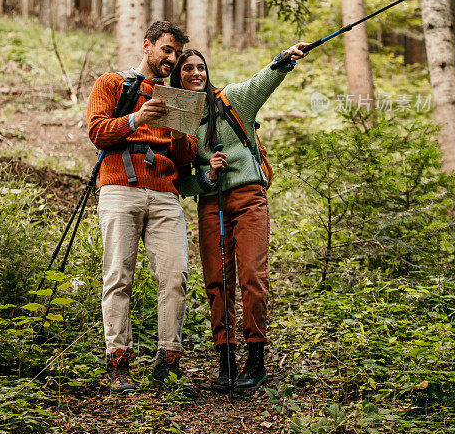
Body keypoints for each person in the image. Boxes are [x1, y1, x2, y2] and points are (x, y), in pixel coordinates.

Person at [170, 43, 308, 392]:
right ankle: (226, 361)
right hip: (210, 203)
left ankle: (256, 361)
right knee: (217, 280)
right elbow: (180, 176)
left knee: (251, 276)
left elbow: (264, 80)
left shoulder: (232, 99)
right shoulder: (180, 116)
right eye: (187, 69)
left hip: (248, 198)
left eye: (200, 67)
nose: (196, 74)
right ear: (177, 76)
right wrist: (207, 176)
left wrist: (283, 58)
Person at [87, 21, 197, 393]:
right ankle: (118, 361)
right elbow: (97, 132)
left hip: (166, 193)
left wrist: (182, 134)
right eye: (167, 50)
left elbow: (184, 159)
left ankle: (168, 360)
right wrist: (137, 118)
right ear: (147, 45)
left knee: (175, 275)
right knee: (118, 275)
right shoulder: (112, 83)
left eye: (177, 53)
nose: (172, 58)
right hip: (119, 186)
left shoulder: (178, 95)